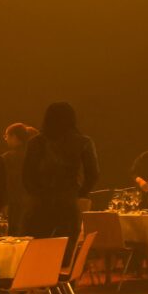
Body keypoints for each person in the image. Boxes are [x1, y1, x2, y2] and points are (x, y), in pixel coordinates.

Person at [19, 102, 98, 239]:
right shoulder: (83, 142)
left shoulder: (35, 143)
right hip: (69, 202)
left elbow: (27, 176)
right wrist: (81, 193)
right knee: (66, 247)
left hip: (40, 204)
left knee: (38, 247)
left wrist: (37, 193)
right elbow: (93, 174)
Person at [1, 123, 37, 218]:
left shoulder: (8, 157)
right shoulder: (35, 155)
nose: (6, 139)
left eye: (7, 136)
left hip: (14, 203)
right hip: (33, 201)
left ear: (14, 137)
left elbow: (4, 182)